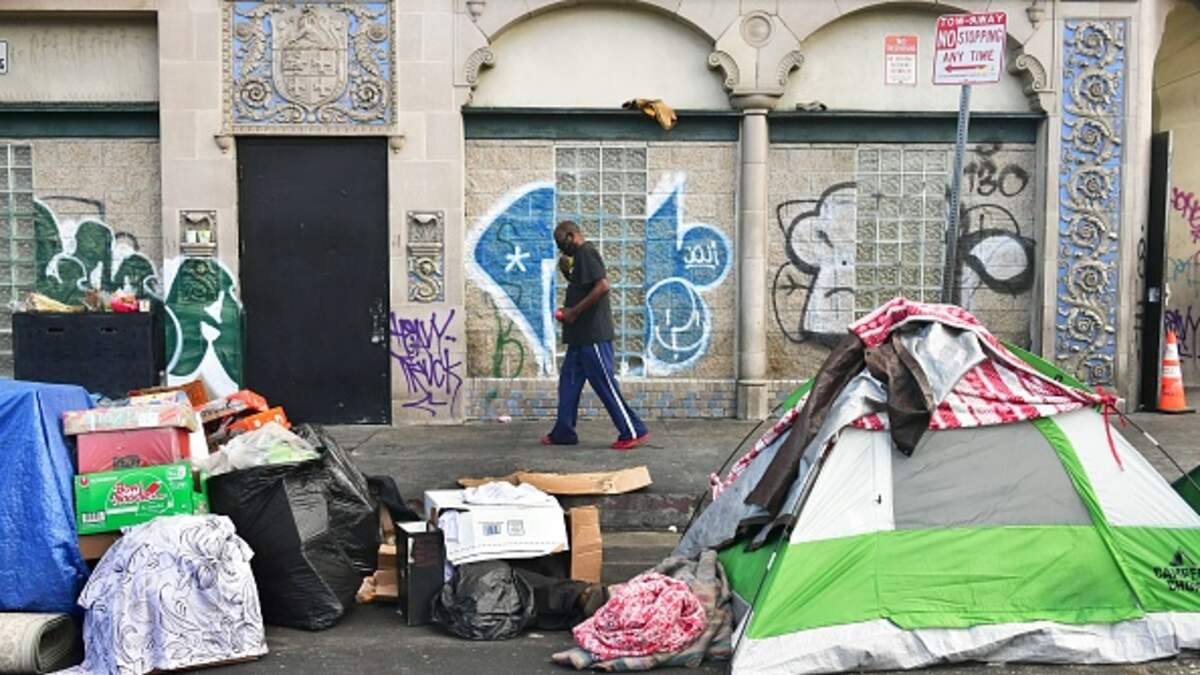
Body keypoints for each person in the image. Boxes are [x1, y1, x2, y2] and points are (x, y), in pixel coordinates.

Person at [542, 221, 650, 450]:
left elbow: (602, 286)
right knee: (568, 385)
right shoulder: (578, 258)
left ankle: (633, 430)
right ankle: (563, 432)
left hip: (593, 336)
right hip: (579, 338)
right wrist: (567, 273)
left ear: (572, 235)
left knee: (605, 384)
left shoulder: (587, 252)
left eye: (561, 243)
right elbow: (584, 288)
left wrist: (572, 312)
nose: (561, 249)